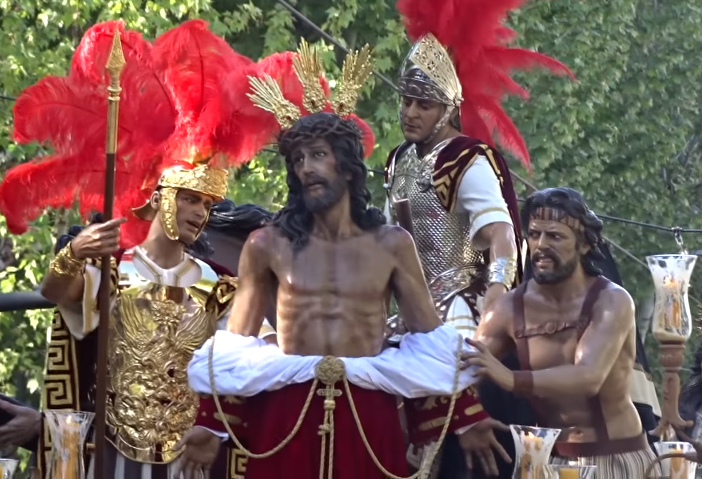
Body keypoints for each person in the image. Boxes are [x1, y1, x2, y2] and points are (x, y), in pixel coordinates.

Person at [175, 41, 502, 479]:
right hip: (286, 411)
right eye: (297, 160)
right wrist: (208, 426)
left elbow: (429, 339)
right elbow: (237, 347)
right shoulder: (266, 245)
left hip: (368, 410)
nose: (306, 168)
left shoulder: (391, 244)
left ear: (347, 167)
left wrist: (468, 415)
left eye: (318, 156)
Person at [0, 20, 273, 479]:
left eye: (206, 204)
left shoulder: (219, 285)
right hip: (111, 457)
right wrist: (78, 252)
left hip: (187, 464)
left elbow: (260, 348)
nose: (199, 213)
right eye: (189, 199)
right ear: (159, 196)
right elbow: (56, 293)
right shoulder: (113, 270)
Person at [385, 1, 574, 476]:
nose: (410, 112)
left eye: (423, 104)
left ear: (448, 108)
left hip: (459, 315)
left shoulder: (465, 158)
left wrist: (493, 305)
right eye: (406, 100)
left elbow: (503, 237)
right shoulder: (397, 162)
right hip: (406, 312)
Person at [462, 187, 660, 477]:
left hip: (620, 460)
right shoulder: (507, 309)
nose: (540, 245)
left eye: (555, 236)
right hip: (552, 463)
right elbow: (466, 369)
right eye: (534, 234)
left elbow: (588, 377)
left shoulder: (612, 301)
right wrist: (467, 420)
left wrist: (511, 378)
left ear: (583, 245)